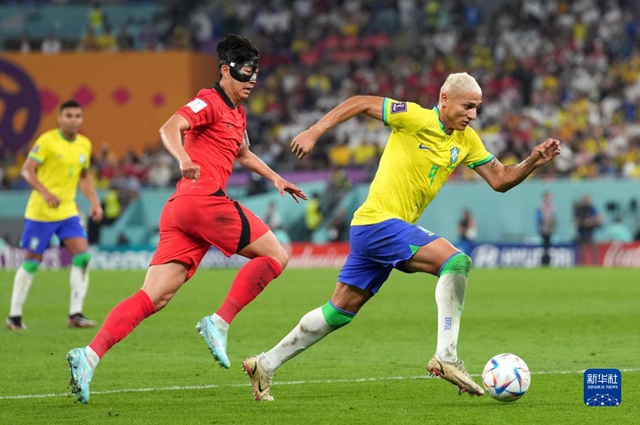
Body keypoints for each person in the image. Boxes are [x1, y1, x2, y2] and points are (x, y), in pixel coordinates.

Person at [242, 72, 561, 401]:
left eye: (477, 108)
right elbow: (360, 102)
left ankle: (264, 364)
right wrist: (313, 132)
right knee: (456, 262)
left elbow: (500, 178)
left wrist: (533, 161)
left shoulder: (466, 140)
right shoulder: (414, 117)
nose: (473, 115)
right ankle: (446, 356)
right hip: (379, 222)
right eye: (468, 106)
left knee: (338, 312)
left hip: (374, 230)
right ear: (445, 99)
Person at [65, 34, 307, 404]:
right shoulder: (208, 100)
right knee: (276, 256)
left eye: (256, 73)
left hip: (182, 211)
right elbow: (169, 127)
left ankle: (88, 356)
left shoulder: (237, 113)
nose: (252, 80)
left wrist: (276, 178)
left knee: (154, 296)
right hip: (203, 201)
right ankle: (219, 321)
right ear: (225, 70)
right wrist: (183, 158)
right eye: (245, 72)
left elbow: (242, 153)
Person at [6, 100, 103, 331]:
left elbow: (84, 176)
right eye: (68, 116)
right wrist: (46, 192)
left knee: (82, 256)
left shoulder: (84, 144)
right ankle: (14, 316)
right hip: (41, 211)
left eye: (77, 116)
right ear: (59, 118)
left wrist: (94, 202)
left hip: (67, 210)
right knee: (32, 261)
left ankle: (75, 314)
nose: (73, 120)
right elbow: (27, 170)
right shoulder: (47, 141)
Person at [573, 194, 602, 264]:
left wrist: (590, 221)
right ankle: (581, 263)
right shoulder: (579, 209)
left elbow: (599, 219)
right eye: (585, 199)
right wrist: (581, 222)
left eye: (588, 199)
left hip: (590, 233)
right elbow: (574, 220)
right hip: (581, 232)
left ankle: (595, 263)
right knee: (581, 250)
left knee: (593, 249)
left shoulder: (592, 208)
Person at [536, 191, 556, 266]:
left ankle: (548, 261)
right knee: (544, 245)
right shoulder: (540, 206)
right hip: (543, 228)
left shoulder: (552, 206)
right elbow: (538, 218)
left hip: (550, 229)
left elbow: (553, 217)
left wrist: (552, 222)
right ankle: (544, 261)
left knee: (548, 245)